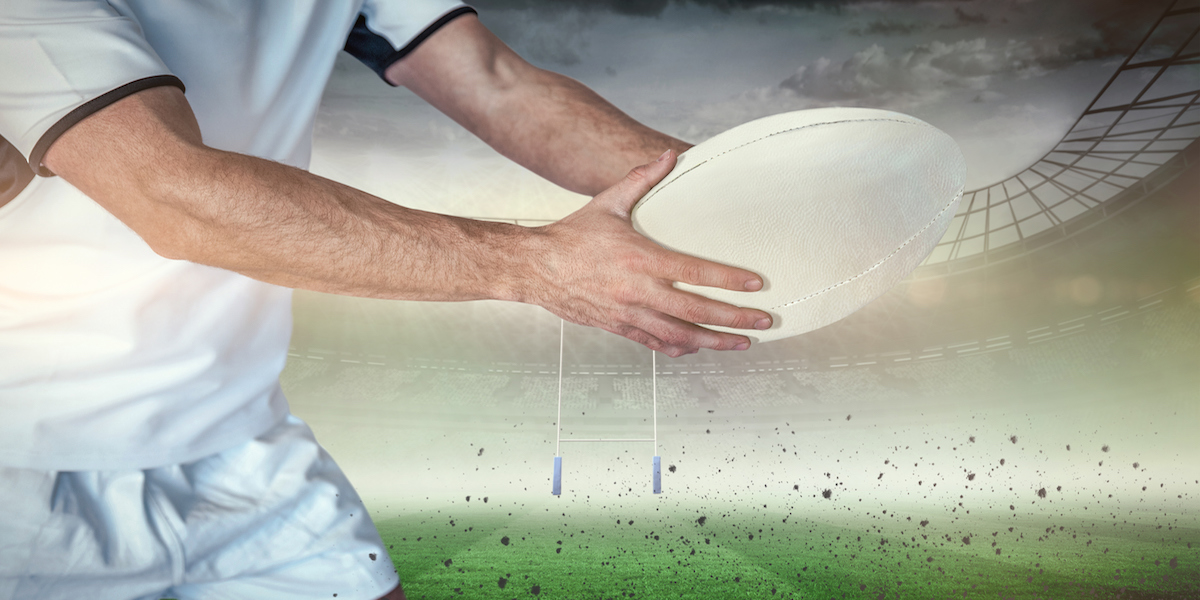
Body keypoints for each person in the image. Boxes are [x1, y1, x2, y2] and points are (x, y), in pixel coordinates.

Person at [0, 2, 771, 599]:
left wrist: (745, 200)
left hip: (238, 438)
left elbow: (494, 81)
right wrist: (541, 264)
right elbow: (176, 194)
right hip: (25, 470)